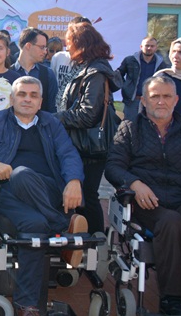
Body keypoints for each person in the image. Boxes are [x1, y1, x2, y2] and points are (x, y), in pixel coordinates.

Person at [0, 76, 86, 316]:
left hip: (45, 190)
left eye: (33, 95)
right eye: (22, 94)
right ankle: (27, 305)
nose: (27, 99)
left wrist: (73, 180)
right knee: (34, 226)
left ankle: (59, 223)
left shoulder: (51, 123)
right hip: (6, 195)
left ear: (41, 101)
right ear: (12, 99)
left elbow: (68, 154)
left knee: (23, 175)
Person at [105, 75, 181, 316]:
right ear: (144, 101)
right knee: (170, 222)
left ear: (176, 100)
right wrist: (134, 183)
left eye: (166, 96)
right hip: (148, 203)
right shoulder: (129, 128)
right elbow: (113, 167)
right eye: (155, 96)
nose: (161, 101)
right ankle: (172, 299)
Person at [55, 21, 122, 234]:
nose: (67, 47)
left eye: (69, 42)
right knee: (81, 195)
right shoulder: (86, 67)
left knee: (88, 196)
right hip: (80, 144)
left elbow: (88, 114)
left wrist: (56, 118)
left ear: (80, 43)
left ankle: (94, 242)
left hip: (89, 147)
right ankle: (83, 241)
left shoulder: (95, 72)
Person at [117, 36, 167, 120]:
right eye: (147, 45)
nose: (149, 48)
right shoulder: (130, 60)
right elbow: (118, 74)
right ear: (141, 47)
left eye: (152, 46)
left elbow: (165, 80)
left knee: (149, 126)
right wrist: (126, 86)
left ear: (156, 48)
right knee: (129, 125)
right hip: (133, 101)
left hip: (151, 101)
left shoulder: (161, 64)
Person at [12, 27, 58, 113]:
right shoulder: (7, 73)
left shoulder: (48, 74)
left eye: (46, 48)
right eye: (42, 47)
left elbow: (52, 109)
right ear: (28, 46)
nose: (45, 52)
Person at [51, 17, 91, 112]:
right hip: (57, 112)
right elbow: (52, 86)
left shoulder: (93, 62)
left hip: (78, 113)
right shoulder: (58, 57)